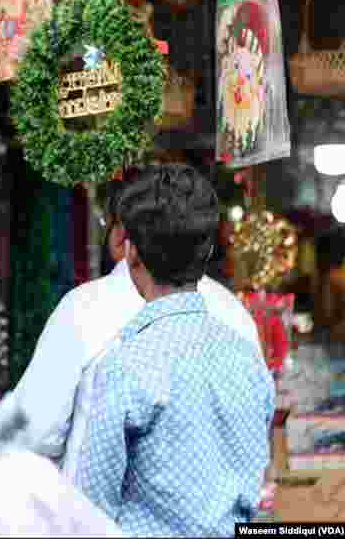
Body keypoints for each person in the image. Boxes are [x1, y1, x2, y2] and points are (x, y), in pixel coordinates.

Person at [0, 165, 262, 478]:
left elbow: (35, 433)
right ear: (208, 247)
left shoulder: (84, 309)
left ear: (124, 239)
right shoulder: (233, 315)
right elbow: (252, 436)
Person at [75, 164, 274, 536]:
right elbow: (259, 483)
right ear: (209, 250)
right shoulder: (248, 360)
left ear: (130, 253)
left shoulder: (124, 367)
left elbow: (91, 509)